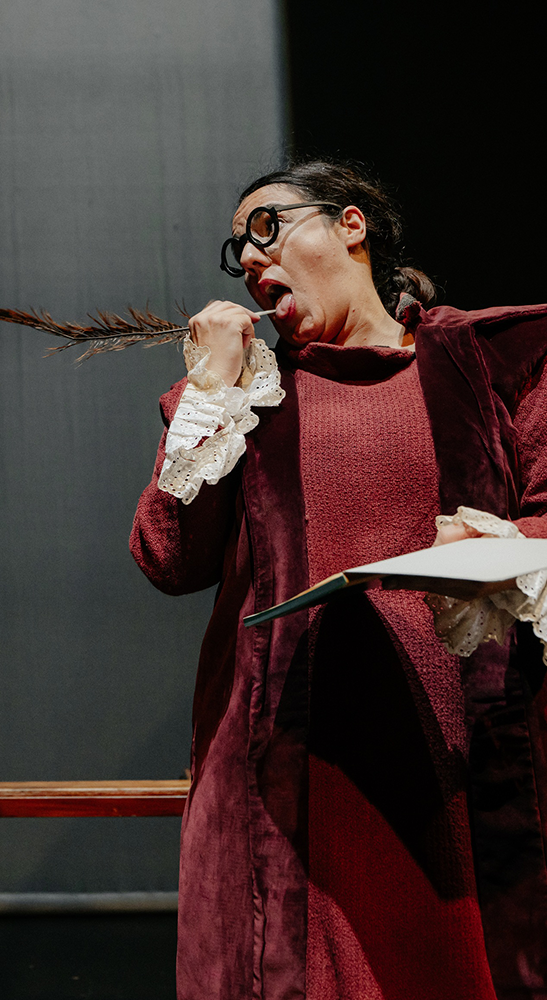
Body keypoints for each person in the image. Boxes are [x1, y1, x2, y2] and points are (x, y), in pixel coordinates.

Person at [131, 160, 546, 1000]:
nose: (252, 260)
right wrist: (210, 390)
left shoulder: (487, 363)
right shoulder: (245, 400)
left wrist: (501, 545)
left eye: (267, 227)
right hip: (298, 773)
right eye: (239, 252)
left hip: (454, 764)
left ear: (351, 225)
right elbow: (169, 559)